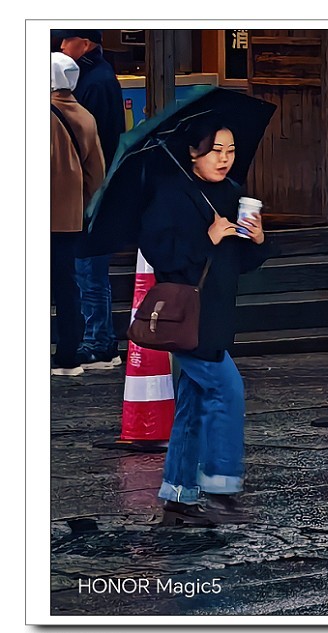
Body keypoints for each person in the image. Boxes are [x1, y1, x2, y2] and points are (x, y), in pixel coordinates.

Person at [138, 114, 273, 527]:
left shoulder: (233, 193)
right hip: (186, 317)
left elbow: (240, 261)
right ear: (193, 153)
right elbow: (162, 255)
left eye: (230, 151)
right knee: (227, 388)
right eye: (215, 150)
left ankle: (178, 495)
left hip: (218, 313)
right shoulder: (170, 194)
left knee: (193, 403)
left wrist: (258, 240)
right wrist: (206, 238)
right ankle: (221, 484)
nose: (225, 159)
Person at [56, 29, 126, 370]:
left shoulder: (93, 84)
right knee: (89, 271)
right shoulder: (99, 77)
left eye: (64, 40)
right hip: (94, 191)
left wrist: (90, 195)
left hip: (90, 195)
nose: (60, 46)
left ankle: (98, 341)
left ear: (83, 43)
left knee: (88, 270)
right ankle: (102, 341)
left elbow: (92, 153)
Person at [50, 53, 106, 376]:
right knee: (67, 282)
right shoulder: (85, 117)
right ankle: (69, 353)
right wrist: (84, 202)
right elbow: (96, 172)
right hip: (71, 217)